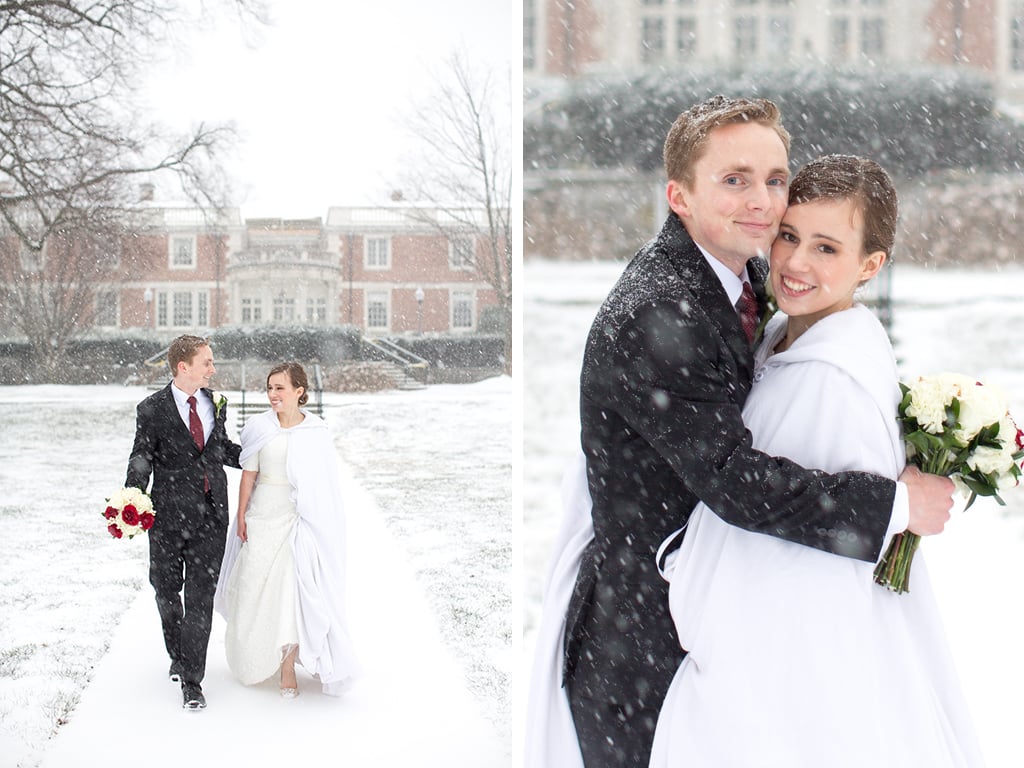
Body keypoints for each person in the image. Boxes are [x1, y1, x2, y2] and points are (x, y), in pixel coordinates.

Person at [530, 95, 955, 768]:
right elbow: (733, 479)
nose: (763, 201)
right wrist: (898, 505)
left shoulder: (747, 274)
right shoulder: (657, 314)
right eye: (735, 180)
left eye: (774, 179)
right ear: (679, 196)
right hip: (641, 654)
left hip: (711, 646)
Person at [648, 154, 983, 766]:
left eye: (827, 248)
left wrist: (703, 594)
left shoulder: (834, 378)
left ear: (870, 265)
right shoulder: (783, 335)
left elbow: (815, 546)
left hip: (788, 654)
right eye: (789, 236)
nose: (797, 263)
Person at [215, 362, 359, 697]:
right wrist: (241, 515)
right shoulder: (258, 427)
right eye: (270, 388)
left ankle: (287, 665)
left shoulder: (316, 431)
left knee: (292, 590)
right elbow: (248, 473)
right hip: (263, 512)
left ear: (299, 391)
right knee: (253, 586)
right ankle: (257, 652)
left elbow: (324, 484)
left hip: (298, 519)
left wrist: (316, 517)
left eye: (280, 388)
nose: (273, 394)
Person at [125, 334, 241, 711]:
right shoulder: (152, 409)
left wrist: (263, 455)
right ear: (183, 367)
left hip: (211, 516)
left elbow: (219, 448)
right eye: (206, 362)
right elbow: (142, 456)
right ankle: (176, 653)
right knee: (165, 590)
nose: (212, 369)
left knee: (200, 598)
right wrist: (132, 497)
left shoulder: (215, 403)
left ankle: (193, 679)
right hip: (168, 518)